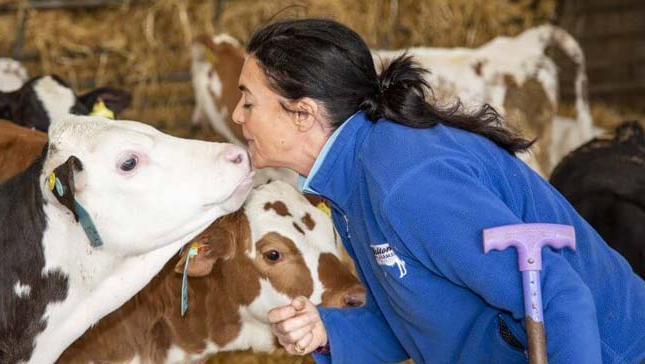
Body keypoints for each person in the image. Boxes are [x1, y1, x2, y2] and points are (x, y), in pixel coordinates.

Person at [231, 18, 645, 364]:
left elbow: (558, 294)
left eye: (248, 102)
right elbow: (415, 318)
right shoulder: (352, 181)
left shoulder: (407, 182)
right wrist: (327, 330)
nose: (236, 115)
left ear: (302, 114)